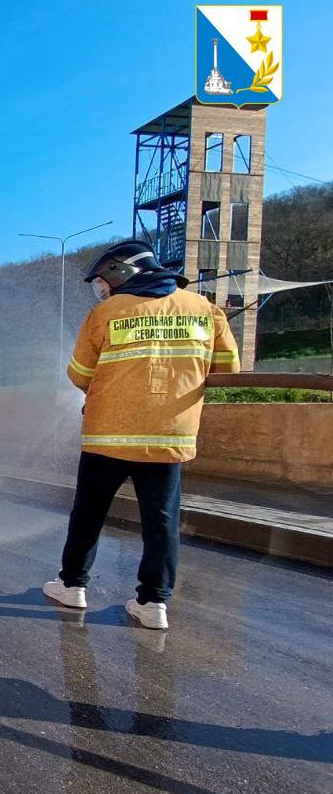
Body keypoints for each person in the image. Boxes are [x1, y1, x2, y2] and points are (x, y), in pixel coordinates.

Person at [43, 240, 240, 630]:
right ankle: (153, 604)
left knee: (89, 513)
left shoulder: (106, 314)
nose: (102, 291)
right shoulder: (204, 309)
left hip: (108, 436)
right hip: (168, 437)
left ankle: (73, 585)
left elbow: (78, 375)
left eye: (102, 283)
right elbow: (227, 368)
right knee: (162, 522)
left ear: (122, 273)